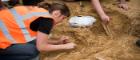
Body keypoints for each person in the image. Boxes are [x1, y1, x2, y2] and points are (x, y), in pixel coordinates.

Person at [0, 0, 76, 60]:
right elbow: (41, 47)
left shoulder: (38, 11)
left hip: (4, 33)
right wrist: (65, 46)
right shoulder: (47, 19)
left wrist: (57, 42)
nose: (61, 21)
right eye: (63, 18)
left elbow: (36, 39)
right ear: (56, 13)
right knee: (33, 50)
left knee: (33, 43)